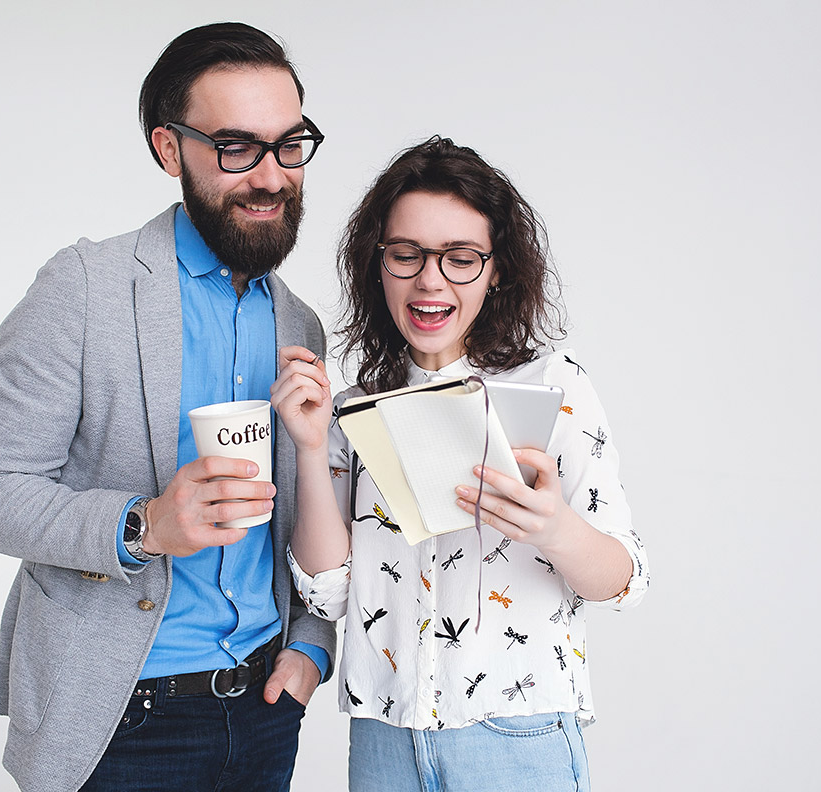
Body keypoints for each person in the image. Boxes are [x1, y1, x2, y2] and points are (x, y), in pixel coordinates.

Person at [0, 23, 335, 792]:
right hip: (121, 717)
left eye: (289, 144)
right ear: (170, 149)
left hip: (264, 709)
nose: (271, 176)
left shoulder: (300, 325)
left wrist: (310, 648)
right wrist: (145, 525)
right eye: (236, 147)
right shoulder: (84, 289)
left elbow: (307, 515)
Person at [271, 136, 650, 791]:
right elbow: (328, 594)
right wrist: (308, 446)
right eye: (406, 254)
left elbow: (625, 581)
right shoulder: (352, 410)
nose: (430, 280)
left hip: (515, 736)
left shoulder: (554, 386)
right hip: (384, 739)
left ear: (496, 269)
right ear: (378, 263)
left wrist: (554, 528)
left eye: (461, 258)